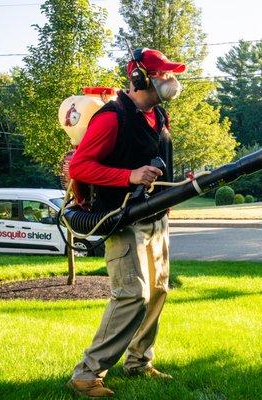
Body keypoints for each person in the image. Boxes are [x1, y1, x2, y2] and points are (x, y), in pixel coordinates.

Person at [66, 48, 185, 398]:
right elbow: (80, 167)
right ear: (140, 78)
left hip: (156, 218)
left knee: (159, 291)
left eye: (170, 74)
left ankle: (139, 361)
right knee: (133, 295)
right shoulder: (111, 117)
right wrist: (129, 175)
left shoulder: (158, 115)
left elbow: (159, 162)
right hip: (123, 219)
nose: (170, 80)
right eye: (162, 74)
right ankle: (86, 374)